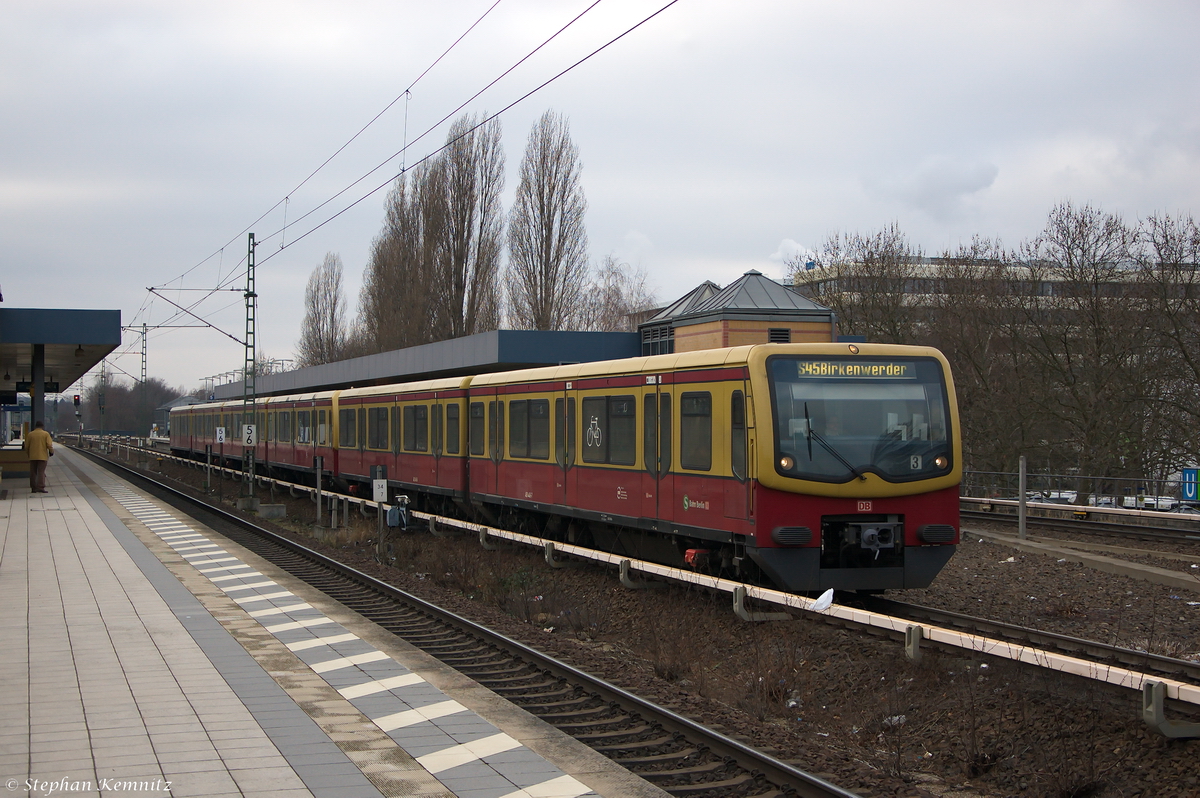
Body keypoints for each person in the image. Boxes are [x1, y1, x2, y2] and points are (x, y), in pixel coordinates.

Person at [24, 420, 54, 493]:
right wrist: (51, 452)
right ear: (42, 426)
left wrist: (29, 454)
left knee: (33, 472)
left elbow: (27, 446)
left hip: (32, 456)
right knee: (41, 472)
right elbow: (49, 445)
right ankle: (40, 487)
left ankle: (33, 488)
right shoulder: (45, 434)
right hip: (42, 456)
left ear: (35, 427)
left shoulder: (30, 434)